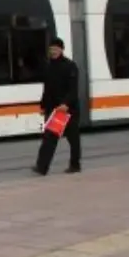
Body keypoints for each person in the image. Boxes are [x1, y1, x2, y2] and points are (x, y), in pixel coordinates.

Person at [33, 37, 82, 176]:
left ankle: (75, 164)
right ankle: (42, 167)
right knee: (49, 138)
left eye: (55, 48)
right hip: (54, 110)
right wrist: (43, 106)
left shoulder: (70, 66)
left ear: (61, 49)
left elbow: (73, 89)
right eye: (51, 49)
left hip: (68, 110)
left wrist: (66, 104)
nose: (53, 51)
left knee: (73, 139)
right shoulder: (48, 66)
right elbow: (47, 89)